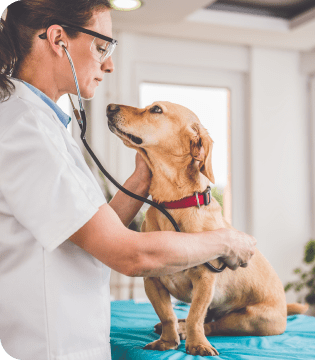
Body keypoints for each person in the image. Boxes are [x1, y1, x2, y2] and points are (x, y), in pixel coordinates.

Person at [0, 1, 257, 359]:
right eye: (101, 47)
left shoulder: (43, 126)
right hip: (49, 346)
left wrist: (140, 180)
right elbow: (129, 255)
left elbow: (86, 233)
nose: (109, 64)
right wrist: (226, 241)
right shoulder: (25, 131)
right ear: (58, 39)